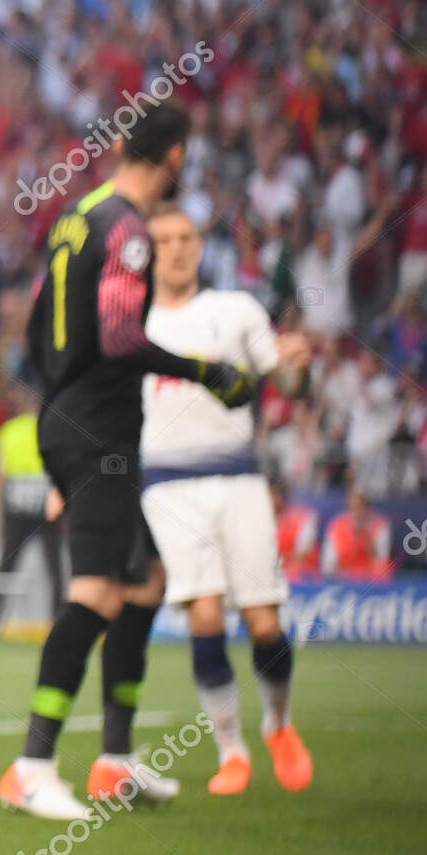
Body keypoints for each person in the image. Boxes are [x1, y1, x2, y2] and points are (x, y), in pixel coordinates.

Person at [0, 100, 258, 821]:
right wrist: (207, 370)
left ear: (122, 147)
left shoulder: (77, 216)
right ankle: (33, 764)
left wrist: (56, 409)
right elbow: (119, 338)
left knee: (145, 580)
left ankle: (115, 760)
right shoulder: (128, 232)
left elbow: (30, 327)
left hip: (69, 418)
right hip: (101, 429)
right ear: (175, 157)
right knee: (99, 594)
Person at [138, 204, 313, 796]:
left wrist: (297, 369)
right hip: (166, 482)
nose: (177, 248)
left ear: (199, 244)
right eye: (163, 239)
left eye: (186, 237)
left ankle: (280, 725)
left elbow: (285, 381)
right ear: (147, 249)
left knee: (265, 622)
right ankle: (230, 749)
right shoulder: (131, 324)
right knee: (205, 615)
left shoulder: (234, 310)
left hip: (238, 475)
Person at [0, 392, 63, 639]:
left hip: (16, 507)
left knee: (7, 564)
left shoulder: (9, 431)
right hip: (46, 507)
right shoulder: (50, 428)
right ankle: (58, 622)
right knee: (54, 567)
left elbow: (0, 475)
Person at [321, 488, 393, 580]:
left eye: (360, 507)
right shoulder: (337, 525)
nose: (357, 512)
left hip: (370, 579)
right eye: (352, 507)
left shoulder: (380, 525)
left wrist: (365, 535)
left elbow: (381, 559)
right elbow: (328, 563)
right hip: (343, 577)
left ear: (367, 507)